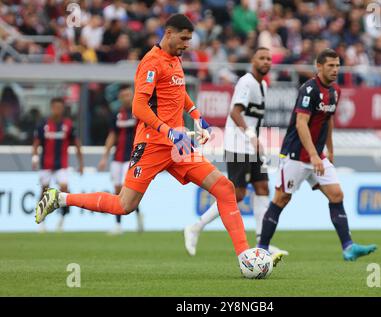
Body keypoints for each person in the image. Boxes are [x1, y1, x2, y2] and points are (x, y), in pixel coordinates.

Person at [35, 14, 277, 270]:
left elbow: (178, 91)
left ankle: (244, 258)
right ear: (169, 33)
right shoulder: (151, 62)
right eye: (183, 38)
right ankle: (59, 198)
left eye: (189, 39)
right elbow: (139, 107)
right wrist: (168, 130)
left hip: (179, 147)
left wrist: (197, 116)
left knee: (225, 188)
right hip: (152, 145)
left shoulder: (175, 60)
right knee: (124, 205)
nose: (187, 44)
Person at [257, 49, 377, 261]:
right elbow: (301, 123)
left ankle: (348, 246)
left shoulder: (335, 91)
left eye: (338, 65)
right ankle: (262, 248)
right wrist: (313, 154)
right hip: (296, 154)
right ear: (319, 67)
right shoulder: (309, 89)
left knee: (337, 194)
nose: (335, 69)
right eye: (330, 65)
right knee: (281, 199)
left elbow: (328, 119)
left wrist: (330, 149)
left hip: (317, 156)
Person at [184, 47, 288, 256]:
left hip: (252, 145)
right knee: (237, 193)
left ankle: (262, 245)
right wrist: (251, 136)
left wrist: (257, 140)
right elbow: (235, 112)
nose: (266, 61)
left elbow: (253, 117)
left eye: (269, 58)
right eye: (262, 58)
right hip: (238, 144)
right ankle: (196, 226)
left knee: (262, 187)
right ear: (253, 60)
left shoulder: (263, 86)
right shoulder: (246, 82)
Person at [32, 97, 84, 232]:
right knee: (44, 192)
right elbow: (36, 143)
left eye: (60, 108)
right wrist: (34, 157)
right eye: (55, 107)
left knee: (64, 190)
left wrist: (81, 163)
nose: (57, 110)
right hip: (46, 165)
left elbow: (77, 144)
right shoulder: (44, 124)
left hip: (61, 165)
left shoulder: (68, 125)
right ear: (51, 108)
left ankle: (62, 220)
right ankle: (41, 222)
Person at [98, 85, 144, 234]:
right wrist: (105, 156)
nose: (127, 98)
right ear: (120, 98)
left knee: (127, 190)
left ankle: (136, 217)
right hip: (117, 157)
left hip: (133, 158)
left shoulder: (139, 113)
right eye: (124, 95)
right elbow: (112, 136)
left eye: (129, 95)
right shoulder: (116, 115)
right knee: (117, 191)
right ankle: (119, 224)